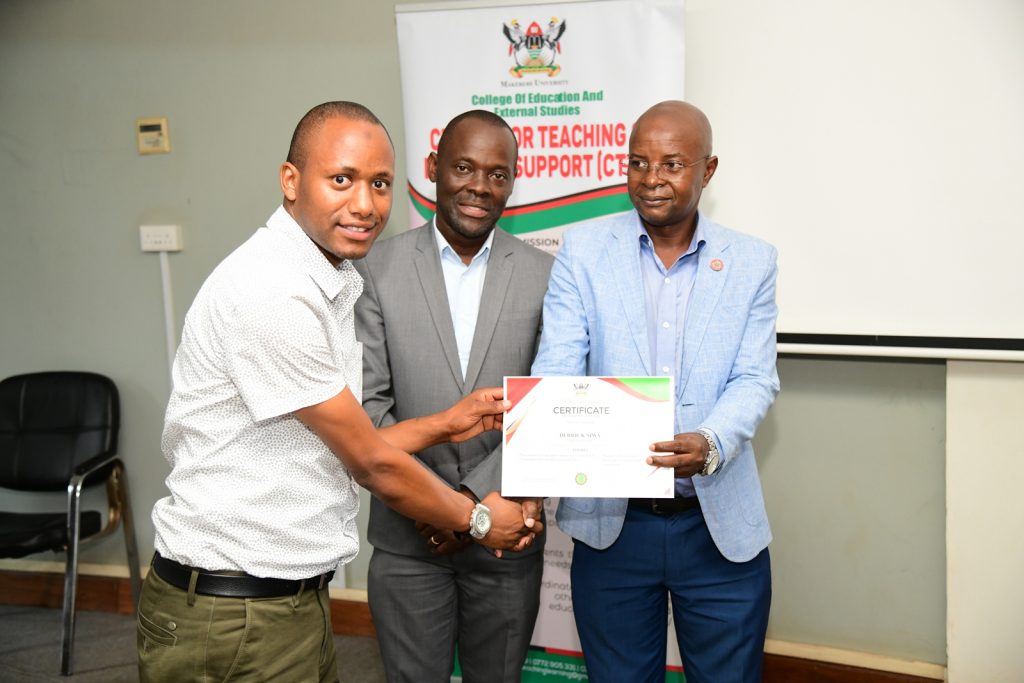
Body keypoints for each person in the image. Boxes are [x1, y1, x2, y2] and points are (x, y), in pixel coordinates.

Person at [137, 101, 535, 683]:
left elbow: (343, 440)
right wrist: (475, 519)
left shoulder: (329, 278)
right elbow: (370, 461)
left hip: (282, 599)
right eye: (341, 180)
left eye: (378, 184)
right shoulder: (273, 292)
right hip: (235, 612)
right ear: (291, 181)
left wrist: (445, 423)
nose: (365, 205)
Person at [530, 100, 780, 683]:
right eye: (638, 162)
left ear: (707, 169)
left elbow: (754, 377)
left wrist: (712, 442)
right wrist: (535, 460)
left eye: (671, 164)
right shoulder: (584, 252)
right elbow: (558, 369)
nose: (651, 179)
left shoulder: (752, 262)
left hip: (716, 527)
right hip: (613, 528)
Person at [354, 110, 554, 683]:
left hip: (506, 540)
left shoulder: (545, 274)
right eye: (464, 167)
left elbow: (547, 406)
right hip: (406, 540)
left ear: (513, 182)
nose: (479, 187)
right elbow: (368, 408)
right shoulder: (374, 267)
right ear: (434, 168)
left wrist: (468, 506)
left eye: (497, 173)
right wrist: (436, 505)